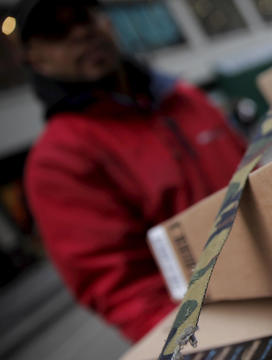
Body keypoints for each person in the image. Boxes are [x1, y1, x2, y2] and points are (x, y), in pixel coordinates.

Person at [16, 0, 246, 342]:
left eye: (83, 16)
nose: (81, 32)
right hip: (225, 326)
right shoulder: (59, 159)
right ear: (37, 60)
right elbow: (124, 291)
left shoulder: (183, 98)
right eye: (57, 32)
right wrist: (205, 342)